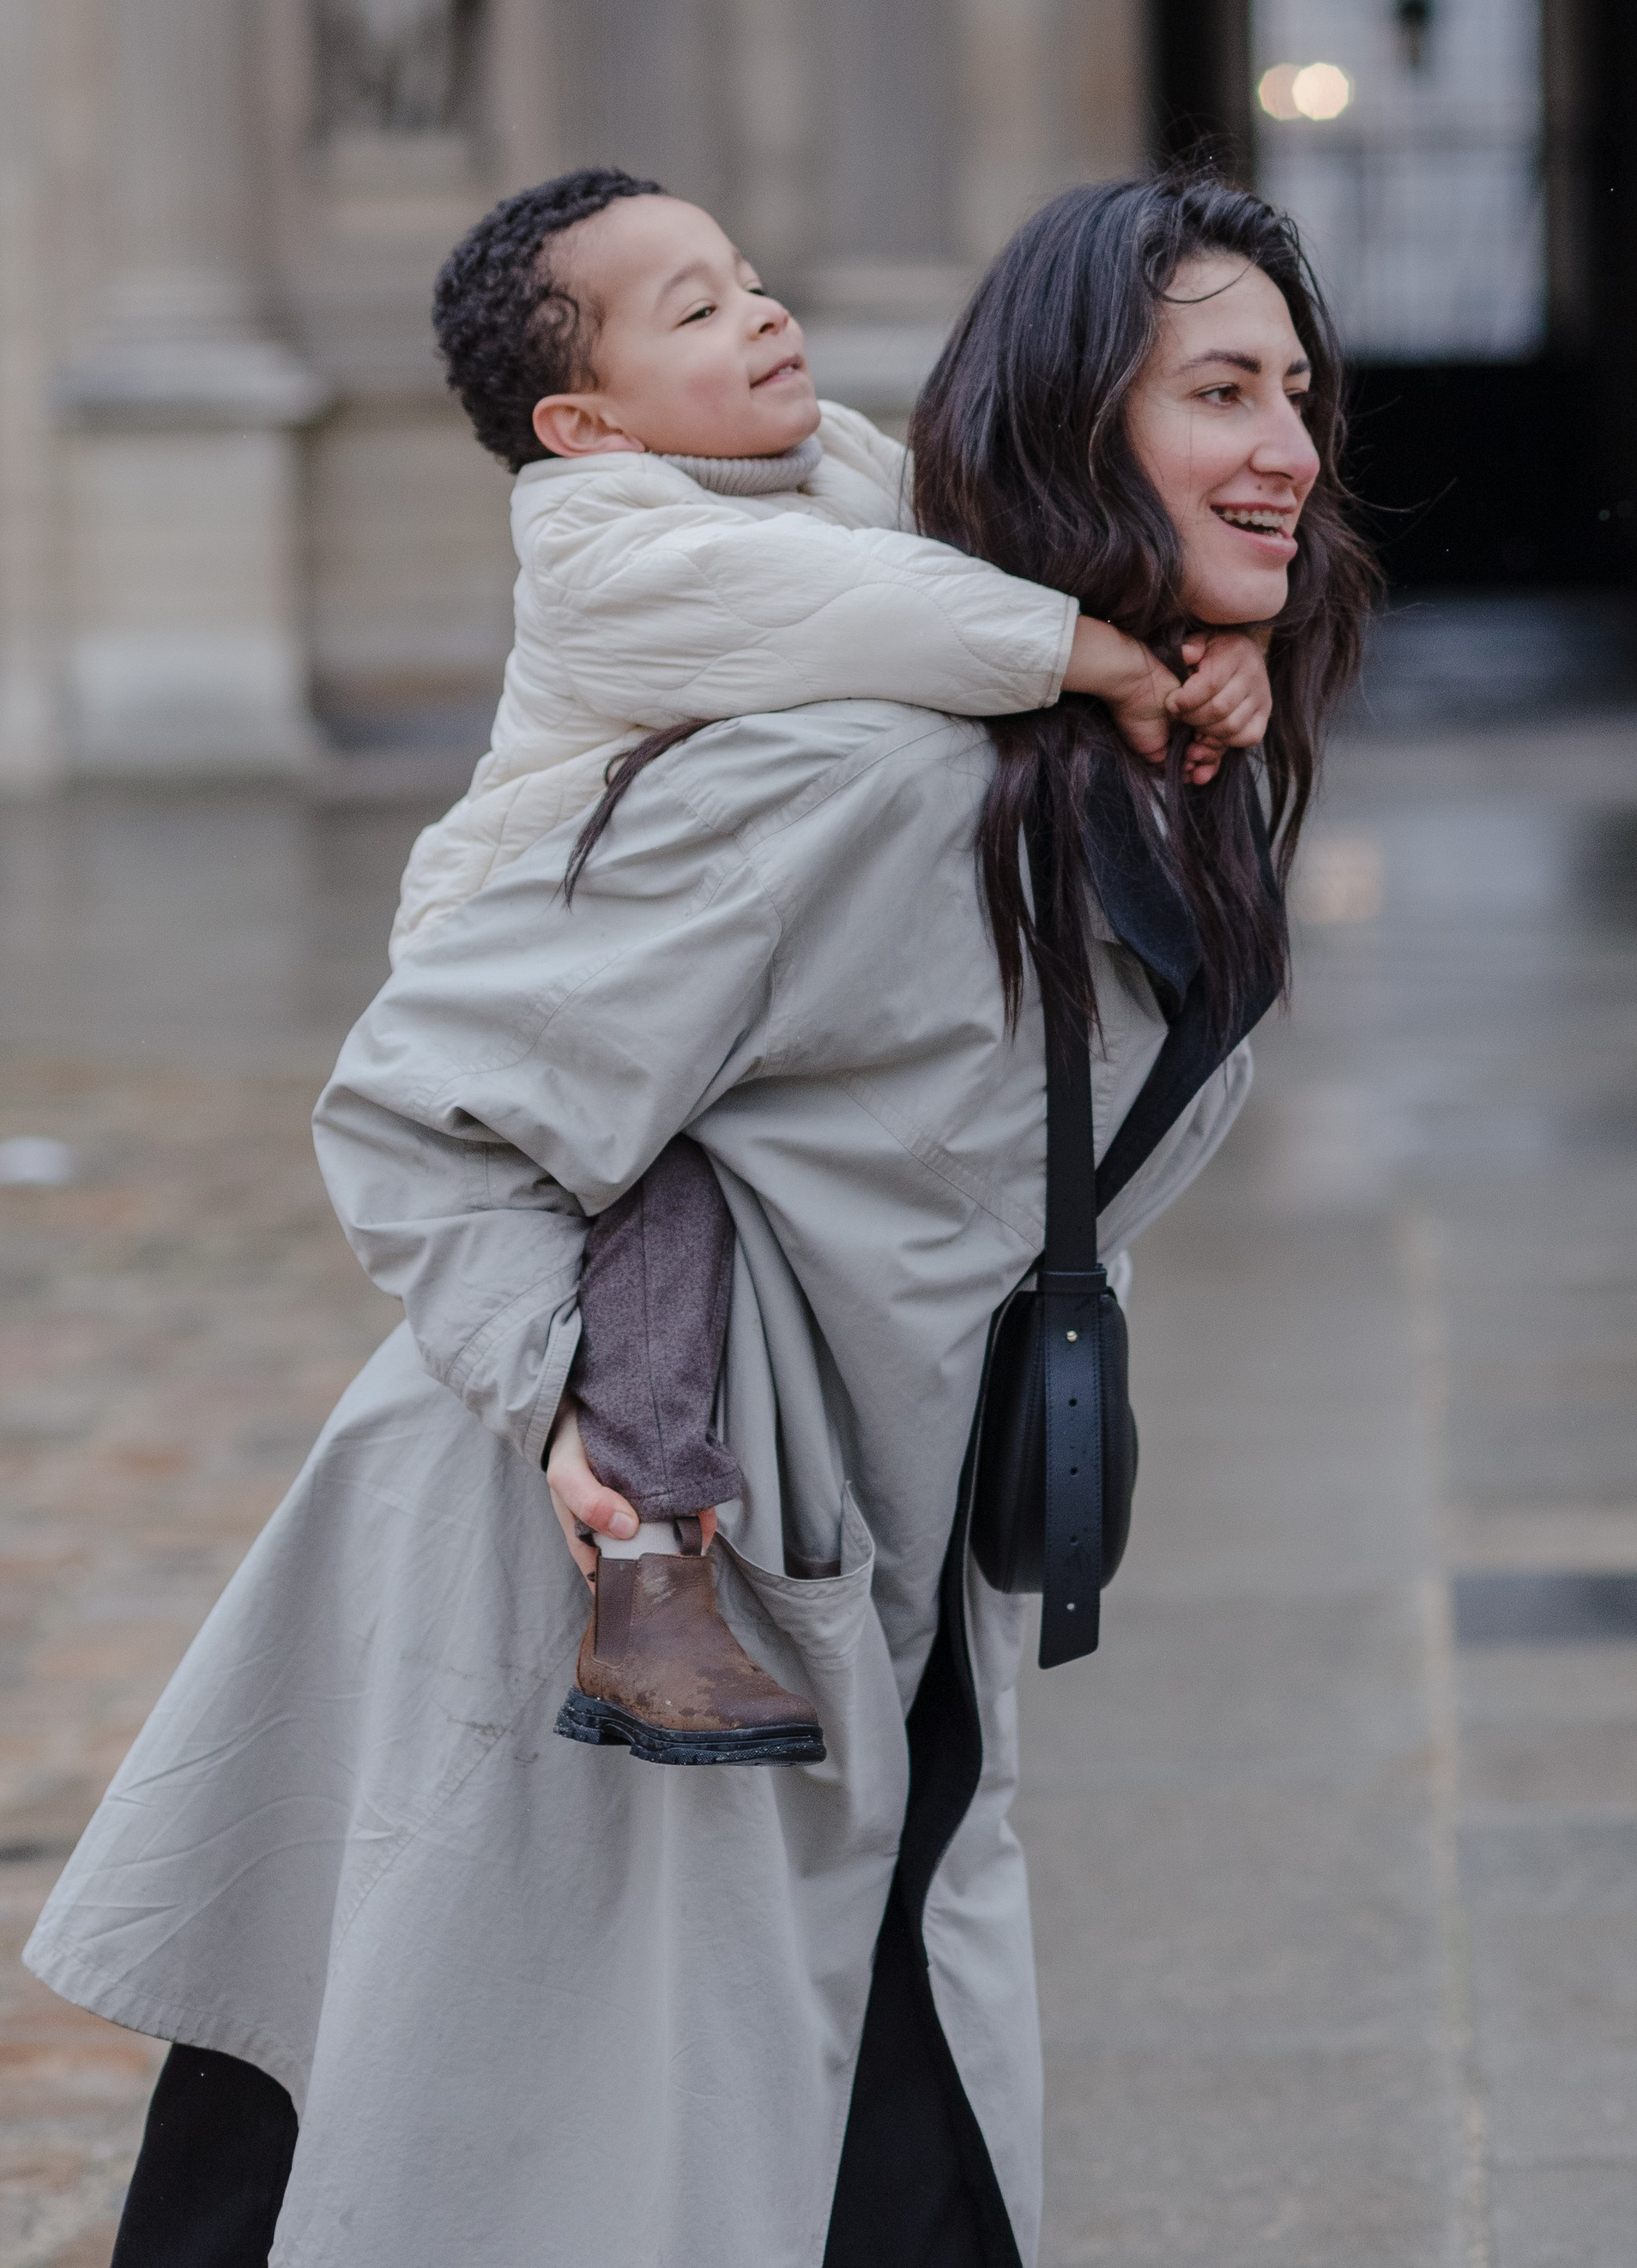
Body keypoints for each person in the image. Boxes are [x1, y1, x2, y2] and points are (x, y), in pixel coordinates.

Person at [26, 171, 1376, 2268]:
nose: (1286, 446)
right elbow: (420, 1100)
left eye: (1295, 389)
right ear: (1066, 428)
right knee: (449, 2149)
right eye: (1218, 389)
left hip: (871, 1595)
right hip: (596, 1578)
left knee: (791, 2132)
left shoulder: (1148, 789)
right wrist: (573, 1407)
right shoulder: (870, 780)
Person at [403, 167, 1272, 1766]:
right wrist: (1106, 659)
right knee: (656, 1218)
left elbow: (976, 546)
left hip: (714, 946)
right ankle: (654, 1564)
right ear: (583, 424)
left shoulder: (829, 463)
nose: (761, 311)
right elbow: (884, 606)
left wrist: (1200, 630)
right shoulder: (602, 540)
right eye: (696, 309)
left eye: (747, 276)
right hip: (554, 955)